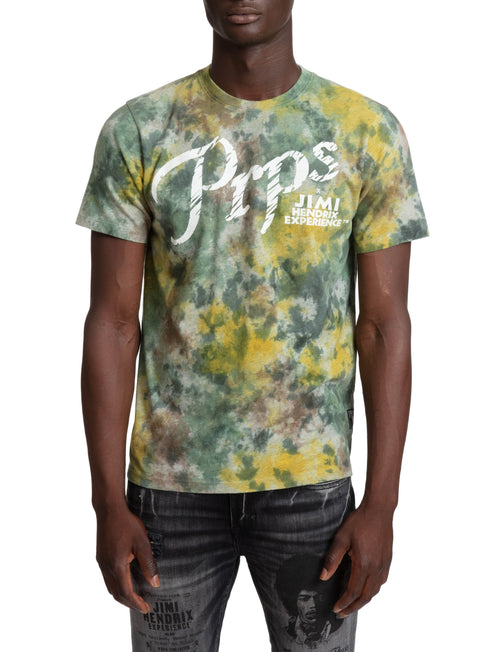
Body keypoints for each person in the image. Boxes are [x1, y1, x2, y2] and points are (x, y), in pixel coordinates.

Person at [76, 1, 429, 651]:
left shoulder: (363, 131)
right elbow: (113, 322)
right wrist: (107, 503)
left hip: (311, 492)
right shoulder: (142, 128)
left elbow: (383, 325)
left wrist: (382, 503)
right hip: (168, 492)